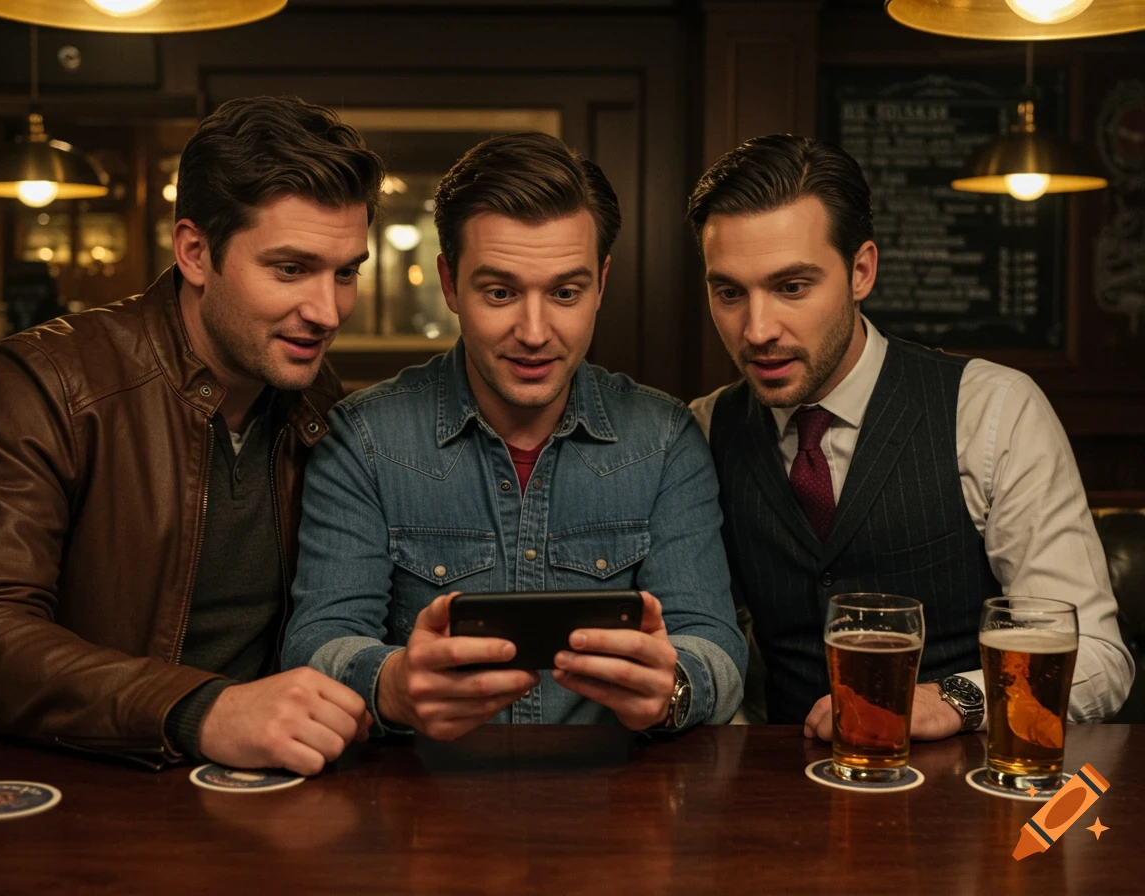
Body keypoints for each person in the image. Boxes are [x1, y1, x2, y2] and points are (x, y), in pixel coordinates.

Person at [0, 95, 383, 774]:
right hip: (70, 779)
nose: (327, 311)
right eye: (290, 269)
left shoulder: (314, 392)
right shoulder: (46, 380)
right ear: (194, 252)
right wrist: (200, 709)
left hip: (260, 784)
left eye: (346, 272)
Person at [283, 132, 747, 740]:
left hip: (615, 788)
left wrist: (674, 686)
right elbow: (316, 642)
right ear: (450, 284)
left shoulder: (664, 440)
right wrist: (391, 684)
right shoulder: (364, 439)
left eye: (565, 293)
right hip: (425, 789)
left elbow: (714, 642)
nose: (533, 332)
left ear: (601, 284)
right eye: (500, 292)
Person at [687, 133, 1134, 741]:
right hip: (783, 784)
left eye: (792, 287)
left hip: (964, 780)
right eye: (730, 292)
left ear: (861, 271)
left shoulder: (992, 410)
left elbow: (1098, 658)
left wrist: (952, 700)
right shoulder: (706, 429)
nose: (758, 329)